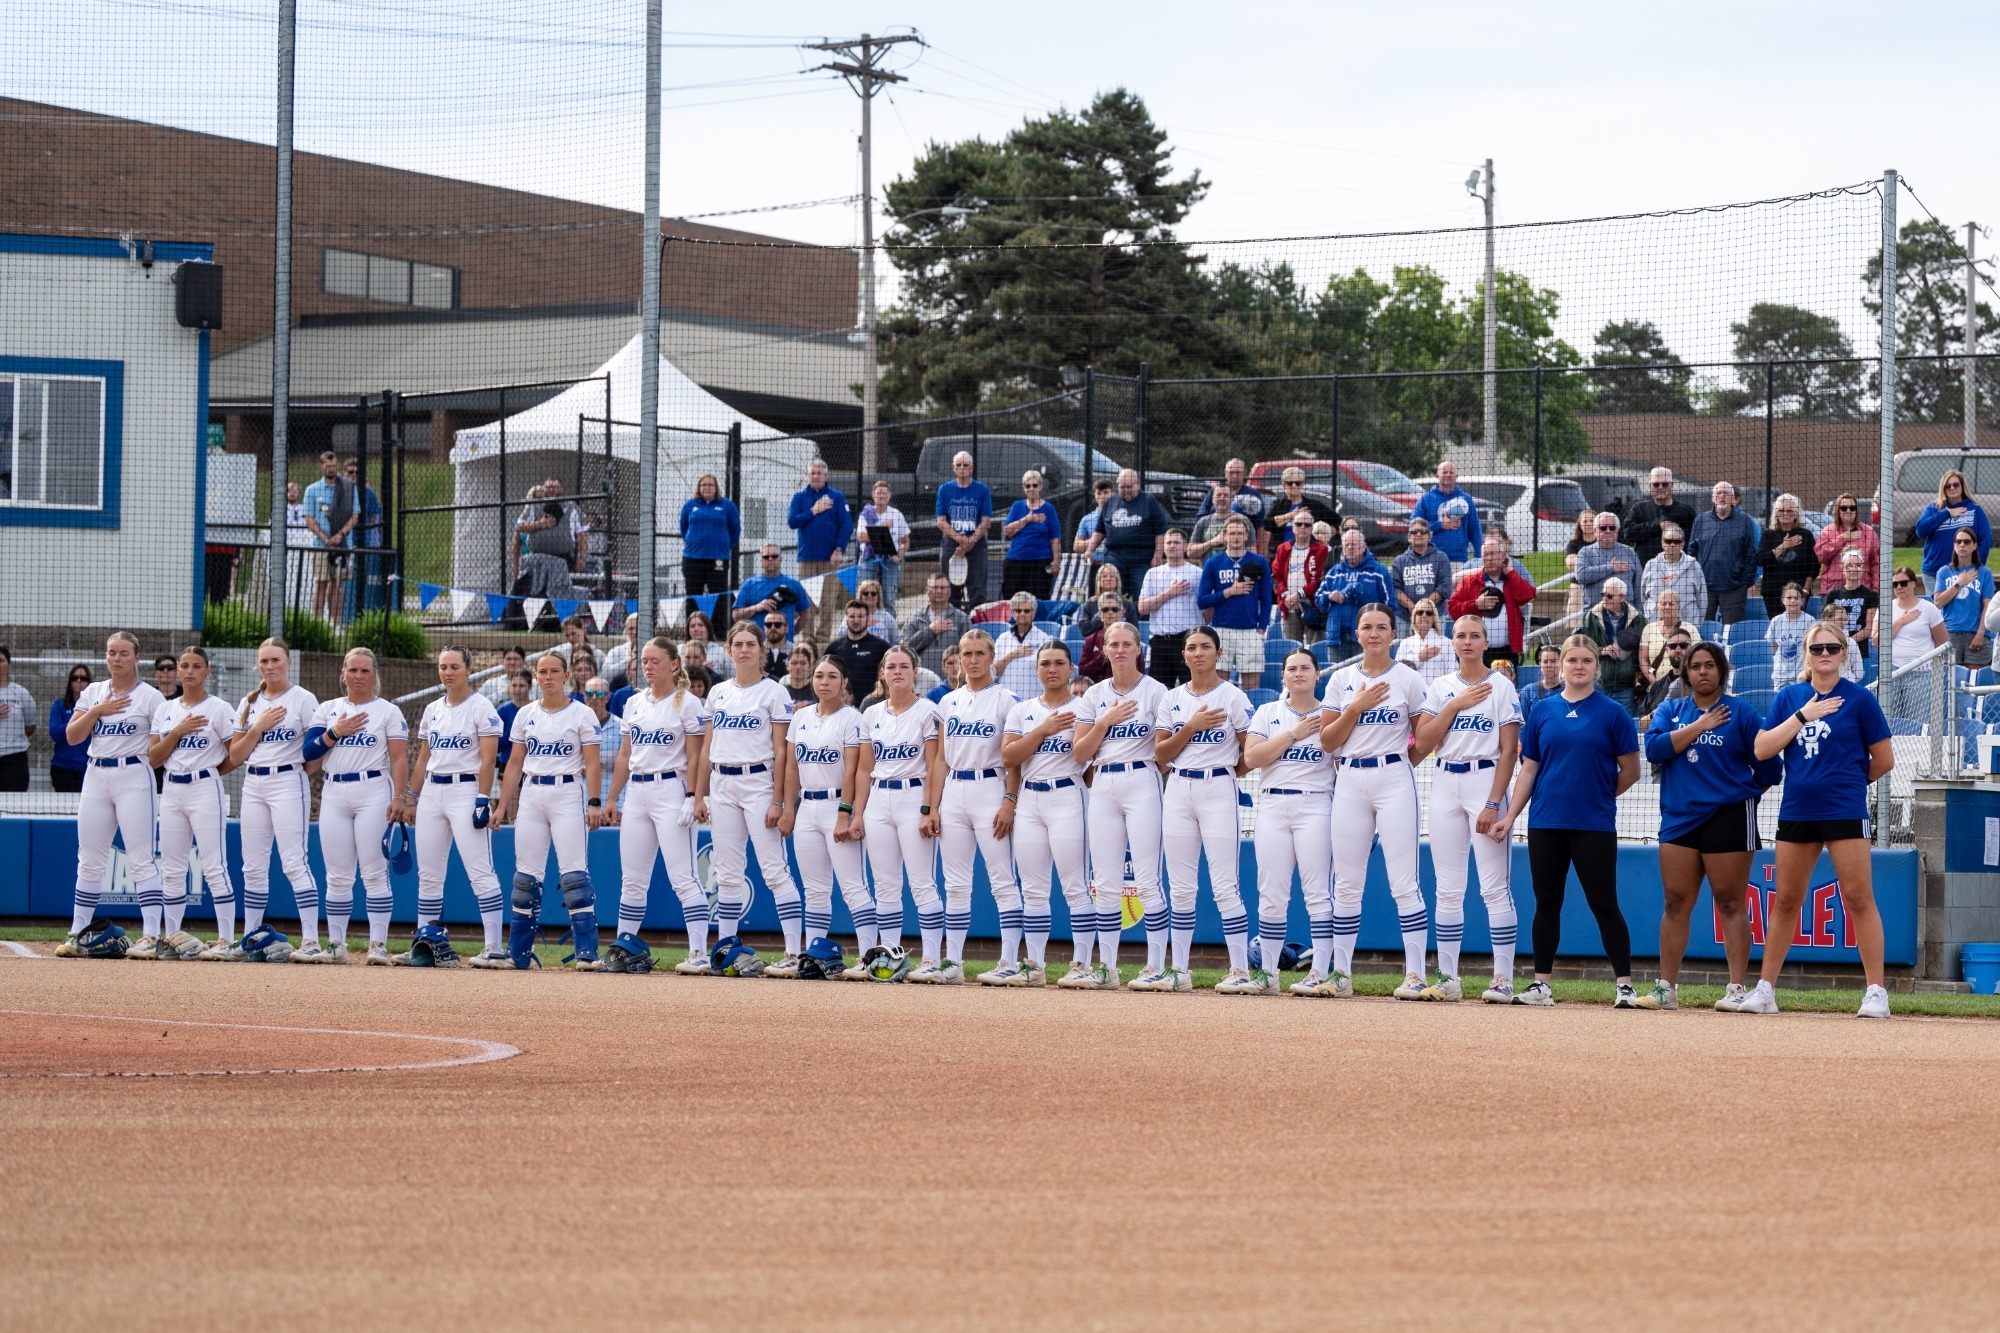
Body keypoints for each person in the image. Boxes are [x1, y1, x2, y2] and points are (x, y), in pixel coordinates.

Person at [1745, 619, 1895, 1017]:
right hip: (1797, 810)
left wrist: (1845, 781)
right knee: (1787, 900)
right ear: (1807, 655)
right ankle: (1764, 990)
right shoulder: (1789, 696)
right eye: (1817, 649)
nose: (1825, 655)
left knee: (1859, 897)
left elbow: (1884, 760)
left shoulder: (1860, 699)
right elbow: (1761, 749)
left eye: (1832, 648)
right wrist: (1802, 716)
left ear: (1844, 653)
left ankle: (1876, 992)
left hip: (1844, 810)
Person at [1489, 633, 1642, 1008]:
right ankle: (1541, 984)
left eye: (1586, 661)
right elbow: (1529, 770)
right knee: (1547, 903)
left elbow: (1631, 771)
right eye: (1572, 660)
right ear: (1561, 665)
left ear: (1596, 666)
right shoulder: (1542, 711)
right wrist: (1509, 816)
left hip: (1593, 824)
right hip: (1546, 822)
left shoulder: (1613, 713)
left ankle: (1624, 985)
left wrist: (1598, 795)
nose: (1578, 666)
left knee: (1604, 903)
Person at [1641, 640, 1782, 1012]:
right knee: (1675, 902)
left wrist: (1744, 795)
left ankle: (1736, 988)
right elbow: (1654, 750)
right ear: (1685, 672)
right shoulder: (1671, 710)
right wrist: (1701, 724)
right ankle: (1665, 989)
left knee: (1731, 902)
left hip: (1729, 818)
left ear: (1721, 671)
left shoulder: (1743, 713)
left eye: (1709, 665)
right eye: (1695, 666)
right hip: (1679, 819)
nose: (1702, 672)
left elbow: (1770, 767)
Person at [1316, 606, 1432, 1000]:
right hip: (1348, 779)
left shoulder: (1409, 679)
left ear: (1393, 634)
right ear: (1357, 632)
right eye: (1367, 627)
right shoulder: (1341, 680)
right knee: (1346, 884)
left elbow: (1425, 738)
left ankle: (1415, 975)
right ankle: (1341, 974)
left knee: (1404, 882)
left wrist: (1400, 763)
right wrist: (1355, 708)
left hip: (1393, 778)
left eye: (1382, 627)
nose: (1375, 633)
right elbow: (1328, 741)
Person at [1410, 616, 1524, 1003]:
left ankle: (1503, 978)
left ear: (1486, 641)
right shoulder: (1441, 687)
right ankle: (1447, 978)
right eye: (1460, 636)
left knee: (1494, 887)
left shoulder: (1501, 685)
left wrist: (1494, 802)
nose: (1468, 641)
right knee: (1447, 889)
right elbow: (1422, 741)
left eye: (1475, 635)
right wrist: (1455, 704)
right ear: (1452, 643)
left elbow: (1510, 750)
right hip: (1444, 781)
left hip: (1484, 780)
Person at [1154, 626, 1258, 992]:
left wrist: (1228, 771)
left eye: (1205, 647)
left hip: (1218, 787)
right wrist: (1192, 727)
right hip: (1179, 788)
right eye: (1191, 648)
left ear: (1218, 652)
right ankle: (1179, 970)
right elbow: (1161, 755)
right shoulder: (1171, 698)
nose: (1198, 653)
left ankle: (1240, 970)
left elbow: (1251, 753)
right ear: (1183, 655)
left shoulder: (1233, 697)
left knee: (1224, 884)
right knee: (1181, 887)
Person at [695, 622, 803, 970]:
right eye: (737, 643)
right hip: (721, 783)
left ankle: (792, 953)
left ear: (761, 650)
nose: (744, 650)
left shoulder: (774, 692)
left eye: (750, 644)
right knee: (726, 873)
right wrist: (699, 795)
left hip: (758, 782)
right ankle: (725, 948)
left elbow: (783, 753)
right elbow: (706, 748)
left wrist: (778, 800)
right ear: (728, 650)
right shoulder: (718, 692)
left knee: (774, 869)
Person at [54, 634, 169, 960]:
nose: (116, 658)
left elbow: (159, 744)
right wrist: (97, 711)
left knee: (141, 858)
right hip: (96, 775)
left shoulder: (151, 697)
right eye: (111, 653)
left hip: (134, 775)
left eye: (123, 653)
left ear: (136, 657)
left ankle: (150, 935)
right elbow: (72, 736)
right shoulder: (93, 692)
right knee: (89, 859)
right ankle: (76, 933)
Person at [604, 638, 712, 973]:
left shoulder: (688, 703)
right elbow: (625, 754)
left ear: (674, 664)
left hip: (671, 788)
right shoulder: (634, 703)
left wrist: (694, 796)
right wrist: (610, 798)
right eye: (644, 661)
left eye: (655, 661)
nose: (648, 666)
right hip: (637, 792)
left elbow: (696, 755)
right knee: (633, 878)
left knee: (684, 876)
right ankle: (623, 947)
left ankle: (698, 953)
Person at [1073, 624, 1172, 989]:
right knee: (1106, 881)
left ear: (1138, 649)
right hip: (1102, 782)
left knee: (1148, 879)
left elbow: (1164, 752)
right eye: (1112, 644)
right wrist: (1104, 722)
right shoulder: (1094, 694)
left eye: (1126, 643)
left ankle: (1156, 965)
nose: (1119, 649)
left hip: (1143, 779)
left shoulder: (1157, 691)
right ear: (1104, 650)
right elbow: (1080, 752)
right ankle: (1107, 967)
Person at [494, 650, 605, 970]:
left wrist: (594, 802)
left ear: (566, 676)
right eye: (542, 672)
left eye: (554, 671)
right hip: (531, 793)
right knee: (525, 880)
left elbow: (594, 763)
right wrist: (502, 805)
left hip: (568, 791)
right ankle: (519, 955)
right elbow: (514, 763)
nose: (548, 677)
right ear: (536, 676)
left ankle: (587, 952)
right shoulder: (526, 713)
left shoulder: (582, 713)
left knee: (574, 876)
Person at [217, 638, 326, 960]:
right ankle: (250, 936)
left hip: (288, 780)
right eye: (264, 661)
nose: (269, 666)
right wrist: (258, 727)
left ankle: (311, 940)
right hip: (253, 783)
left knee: (294, 861)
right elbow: (235, 755)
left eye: (275, 660)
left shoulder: (304, 699)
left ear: (288, 662)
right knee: (253, 866)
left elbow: (316, 751)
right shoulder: (249, 703)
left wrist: (296, 774)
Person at [401, 646, 507, 966]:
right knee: (429, 874)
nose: (448, 672)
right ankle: (425, 940)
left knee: (480, 871)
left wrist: (482, 798)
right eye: (443, 667)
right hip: (433, 791)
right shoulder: (433, 708)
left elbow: (489, 759)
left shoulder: (481, 706)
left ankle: (493, 947)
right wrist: (411, 797)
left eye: (454, 667)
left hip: (466, 789)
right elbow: (423, 757)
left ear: (469, 670)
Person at [303, 647, 408, 964]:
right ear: (343, 673)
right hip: (334, 791)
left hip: (373, 789)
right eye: (352, 670)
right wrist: (336, 732)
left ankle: (377, 944)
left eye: (365, 670)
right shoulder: (328, 708)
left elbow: (399, 757)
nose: (358, 676)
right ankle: (336, 945)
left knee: (375, 872)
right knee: (337, 875)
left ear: (374, 674)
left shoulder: (388, 711)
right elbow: (309, 752)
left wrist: (400, 797)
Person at [1244, 649, 1336, 995]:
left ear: (1317, 674)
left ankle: (1319, 972)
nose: (1298, 673)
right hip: (1273, 805)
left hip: (1316, 805)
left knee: (1317, 893)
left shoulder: (1331, 714)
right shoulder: (1269, 713)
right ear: (1282, 676)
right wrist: (1294, 734)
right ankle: (1267, 974)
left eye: (1305, 668)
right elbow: (1252, 757)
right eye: (1291, 668)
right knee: (1271, 893)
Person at [1002, 640, 1094, 988]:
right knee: (1034, 889)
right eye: (1045, 663)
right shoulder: (1022, 710)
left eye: (1058, 663)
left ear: (1071, 668)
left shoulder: (1084, 708)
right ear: (1036, 669)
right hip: (1029, 799)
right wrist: (1042, 730)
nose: (1052, 669)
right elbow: (1010, 758)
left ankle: (1082, 963)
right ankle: (1034, 965)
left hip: (1068, 795)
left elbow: (1088, 760)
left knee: (1075, 886)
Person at [852, 645, 946, 978]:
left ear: (915, 672)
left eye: (904, 666)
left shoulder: (928, 711)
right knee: (886, 885)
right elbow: (864, 769)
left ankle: (932, 959)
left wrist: (929, 808)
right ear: (882, 673)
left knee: (922, 883)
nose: (897, 672)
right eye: (891, 667)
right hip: (878, 801)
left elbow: (936, 763)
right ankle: (889, 957)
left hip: (913, 798)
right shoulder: (871, 714)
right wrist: (858, 813)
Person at [937, 630, 1024, 984]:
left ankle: (1009, 961)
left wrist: (1009, 800)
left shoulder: (1007, 699)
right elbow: (941, 759)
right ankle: (952, 962)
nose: (972, 660)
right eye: (966, 654)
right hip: (954, 791)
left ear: (991, 657)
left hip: (991, 787)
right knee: (955, 883)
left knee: (1002, 880)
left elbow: (1015, 758)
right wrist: (934, 804)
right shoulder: (948, 701)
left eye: (979, 654)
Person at [782, 654, 875, 979]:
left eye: (832, 676)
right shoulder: (801, 717)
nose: (824, 682)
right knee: (815, 889)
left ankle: (867, 957)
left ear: (844, 682)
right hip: (806, 807)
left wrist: (845, 814)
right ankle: (816, 955)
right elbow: (792, 767)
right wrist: (787, 807)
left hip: (837, 804)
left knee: (852, 886)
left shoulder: (853, 718)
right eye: (819, 676)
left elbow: (853, 770)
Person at [147, 645, 239, 960]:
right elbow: (154, 759)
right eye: (183, 665)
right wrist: (177, 732)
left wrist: (212, 772)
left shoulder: (219, 708)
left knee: (213, 865)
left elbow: (235, 754)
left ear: (207, 671)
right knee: (172, 868)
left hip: (204, 788)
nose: (188, 671)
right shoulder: (166, 709)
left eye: (195, 666)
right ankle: (171, 938)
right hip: (172, 789)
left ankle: (225, 939)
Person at [1197, 514, 1273, 691]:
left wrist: (1261, 628)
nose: (1236, 537)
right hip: (1221, 630)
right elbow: (1202, 601)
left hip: (1250, 630)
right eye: (1232, 533)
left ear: (1246, 536)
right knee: (1218, 686)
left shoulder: (1259, 561)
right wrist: (1230, 592)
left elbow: (1267, 599)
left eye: (1240, 533)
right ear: (1225, 536)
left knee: (1252, 688)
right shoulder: (1213, 563)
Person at [1446, 537, 1537, 667]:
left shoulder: (1512, 580)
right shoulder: (1469, 582)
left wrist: (1510, 572)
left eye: (1493, 554)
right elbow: (1452, 609)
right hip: (1477, 651)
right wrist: (1476, 604)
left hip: (1507, 650)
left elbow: (1528, 595)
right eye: (1486, 555)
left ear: (1503, 556)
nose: (1489, 558)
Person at [1096, 468, 1171, 610]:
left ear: (1137, 484)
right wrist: (1089, 550)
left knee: (1141, 597)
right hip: (1115, 557)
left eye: (1129, 486)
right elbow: (1099, 531)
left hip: (1141, 559)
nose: (1126, 490)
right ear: (1117, 485)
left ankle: (1139, 626)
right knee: (1114, 597)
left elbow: (1160, 531)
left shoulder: (1149, 501)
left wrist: (1157, 555)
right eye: (1122, 487)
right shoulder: (1110, 502)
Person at [1315, 528, 1393, 662]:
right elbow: (1318, 599)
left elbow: (1389, 605)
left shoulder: (1379, 571)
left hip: (1367, 638)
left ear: (1363, 547)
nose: (1350, 548)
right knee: (1338, 679)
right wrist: (1329, 596)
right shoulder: (1335, 572)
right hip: (1337, 638)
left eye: (1354, 544)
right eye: (1346, 545)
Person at [1139, 528, 1203, 687]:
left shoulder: (1197, 573)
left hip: (1187, 641)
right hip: (1160, 643)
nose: (1172, 546)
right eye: (1168, 542)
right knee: (1160, 693)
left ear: (1185, 546)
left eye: (1176, 542)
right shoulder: (1152, 574)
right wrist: (1169, 593)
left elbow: (1207, 608)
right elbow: (1142, 608)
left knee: (1192, 691)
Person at [1688, 482, 1758, 625]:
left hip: (1734, 589)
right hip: (1705, 588)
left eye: (1726, 493)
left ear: (1733, 499)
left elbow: (1750, 554)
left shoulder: (1744, 521)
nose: (1722, 496)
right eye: (1719, 493)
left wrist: (1745, 582)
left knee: (1730, 631)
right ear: (1713, 498)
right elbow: (1692, 551)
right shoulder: (1701, 520)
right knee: (1703, 630)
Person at [1884, 564, 1947, 718]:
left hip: (1921, 672)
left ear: (1913, 584)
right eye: (1895, 584)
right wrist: (1900, 622)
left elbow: (1943, 642)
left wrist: (1931, 666)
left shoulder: (1928, 608)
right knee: (1890, 722)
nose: (1899, 587)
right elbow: (1877, 641)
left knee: (1919, 722)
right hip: (1891, 670)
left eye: (1903, 583)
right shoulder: (1885, 608)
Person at [302, 450, 357, 621]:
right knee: (321, 583)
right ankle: (316, 623)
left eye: (334, 465)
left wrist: (340, 535)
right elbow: (309, 520)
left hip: (343, 544)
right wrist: (326, 539)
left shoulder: (348, 488)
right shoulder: (312, 490)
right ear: (321, 466)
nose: (331, 468)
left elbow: (355, 516)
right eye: (328, 465)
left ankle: (336, 624)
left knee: (337, 585)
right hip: (321, 545)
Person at [935, 451, 993, 610]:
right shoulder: (945, 490)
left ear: (972, 468)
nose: (962, 468)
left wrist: (971, 541)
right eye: (958, 465)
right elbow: (941, 521)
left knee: (978, 592)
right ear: (953, 468)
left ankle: (977, 628)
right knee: (951, 591)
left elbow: (986, 521)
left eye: (965, 465)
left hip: (977, 546)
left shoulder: (982, 490)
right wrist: (960, 540)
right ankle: (953, 629)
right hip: (951, 545)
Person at [514, 476, 587, 598]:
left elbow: (582, 535)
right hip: (536, 561)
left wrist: (582, 558)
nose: (551, 490)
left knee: (561, 595)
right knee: (533, 595)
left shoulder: (572, 507)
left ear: (561, 488)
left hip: (563, 560)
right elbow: (519, 526)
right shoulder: (534, 506)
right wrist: (540, 524)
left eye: (554, 487)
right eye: (548, 487)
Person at [1580, 577, 1646, 713]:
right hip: (1599, 685)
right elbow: (1576, 644)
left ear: (1622, 597)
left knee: (1625, 729)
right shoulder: (1590, 617)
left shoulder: (1638, 619)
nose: (1605, 598)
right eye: (1603, 594)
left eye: (1609, 596)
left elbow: (1647, 649)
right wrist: (1601, 650)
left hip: (1627, 688)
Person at [1931, 530, 1994, 667]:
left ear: (1974, 546)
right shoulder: (1944, 572)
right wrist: (1959, 583)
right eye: (1958, 542)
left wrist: (1980, 634)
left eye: (1967, 542)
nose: (1962, 545)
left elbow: (1987, 606)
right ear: (1954, 545)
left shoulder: (1984, 573)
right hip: (1950, 634)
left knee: (1974, 681)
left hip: (1975, 633)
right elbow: (1938, 602)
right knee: (1950, 681)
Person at [1915, 467, 1992, 578]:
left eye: (1956, 485)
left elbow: (1986, 539)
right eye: (1947, 486)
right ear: (1943, 488)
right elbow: (1920, 530)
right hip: (1934, 572)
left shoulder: (1975, 509)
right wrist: (1946, 513)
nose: (1952, 488)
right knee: (1937, 597)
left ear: (1962, 487)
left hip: (1964, 573)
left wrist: (1977, 566)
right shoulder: (1933, 508)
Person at [679, 473, 740, 607]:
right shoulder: (690, 505)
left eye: (710, 484)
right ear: (699, 487)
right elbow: (684, 528)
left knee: (718, 599)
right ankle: (692, 627)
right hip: (692, 559)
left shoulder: (727, 506)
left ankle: (718, 629)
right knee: (693, 599)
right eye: (704, 484)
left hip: (718, 560)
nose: (707, 487)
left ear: (716, 487)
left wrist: (724, 546)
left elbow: (735, 530)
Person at [1002, 470, 1063, 600]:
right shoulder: (1017, 506)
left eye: (1034, 485)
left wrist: (1056, 561)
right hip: (1016, 560)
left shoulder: (1049, 509)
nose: (1031, 489)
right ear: (1023, 488)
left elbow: (1055, 538)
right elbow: (1007, 531)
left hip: (1039, 562)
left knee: (1038, 601)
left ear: (1040, 487)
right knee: (1012, 600)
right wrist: (1027, 519)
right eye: (1027, 486)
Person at [787, 458, 852, 580]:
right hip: (806, 558)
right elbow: (792, 522)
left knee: (828, 598)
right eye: (813, 473)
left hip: (830, 559)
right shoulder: (799, 497)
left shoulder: (837, 497)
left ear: (826, 475)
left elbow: (846, 526)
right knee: (806, 597)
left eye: (819, 473)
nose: (816, 476)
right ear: (808, 475)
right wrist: (813, 511)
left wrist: (839, 549)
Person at [1272, 510, 1331, 644]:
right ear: (1293, 527)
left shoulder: (1322, 549)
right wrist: (1286, 595)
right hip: (1289, 606)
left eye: (1307, 525)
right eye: (1299, 524)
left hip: (1313, 606)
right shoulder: (1283, 549)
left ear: (1312, 528)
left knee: (1315, 648)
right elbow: (1276, 576)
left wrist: (1299, 594)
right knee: (1292, 649)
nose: (1302, 527)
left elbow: (1322, 579)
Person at [1621, 467, 1697, 567]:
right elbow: (1628, 533)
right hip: (1646, 570)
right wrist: (1658, 526)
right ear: (1650, 486)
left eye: (1665, 484)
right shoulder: (1639, 509)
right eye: (1656, 484)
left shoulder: (1686, 511)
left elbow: (1695, 541)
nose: (1660, 487)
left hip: (1679, 570)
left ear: (1672, 485)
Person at [1410, 461, 1482, 565]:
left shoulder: (1466, 500)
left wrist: (1479, 558)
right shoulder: (1426, 499)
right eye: (1444, 472)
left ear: (1456, 476)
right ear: (1437, 475)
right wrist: (1441, 525)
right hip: (1430, 559)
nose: (1448, 475)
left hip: (1458, 560)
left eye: (1451, 472)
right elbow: (1413, 526)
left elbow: (1475, 531)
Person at [732, 545, 813, 637]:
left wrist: (790, 633)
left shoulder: (793, 584)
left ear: (781, 559)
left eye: (774, 556)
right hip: (758, 645)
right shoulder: (750, 584)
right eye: (766, 557)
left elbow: (806, 614)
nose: (770, 559)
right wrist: (757, 607)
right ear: (761, 560)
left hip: (785, 646)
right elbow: (736, 616)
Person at [856, 478, 911, 611]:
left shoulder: (897, 515)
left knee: (888, 598)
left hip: (891, 561)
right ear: (873, 495)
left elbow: (906, 541)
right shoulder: (866, 514)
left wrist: (899, 556)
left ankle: (890, 629)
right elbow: (861, 537)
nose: (882, 496)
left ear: (889, 495)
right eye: (879, 493)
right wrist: (881, 526)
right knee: (864, 596)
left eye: (885, 493)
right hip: (869, 559)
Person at [903, 574, 972, 676]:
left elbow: (969, 650)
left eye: (943, 588)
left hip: (954, 681)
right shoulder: (915, 619)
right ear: (927, 590)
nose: (939, 591)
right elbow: (905, 648)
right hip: (922, 680)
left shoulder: (962, 619)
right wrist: (930, 631)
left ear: (949, 592)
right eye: (935, 587)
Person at [1392, 518, 1455, 629]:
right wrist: (1412, 606)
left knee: (1435, 646)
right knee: (1404, 646)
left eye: (1423, 531)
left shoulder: (1441, 558)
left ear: (1429, 536)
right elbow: (1394, 588)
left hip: (1434, 617)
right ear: (1409, 536)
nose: (1418, 534)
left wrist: (1424, 607)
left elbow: (1445, 587)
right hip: (1405, 618)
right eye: (1414, 532)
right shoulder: (1399, 561)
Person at [1639, 523, 1708, 623]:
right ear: (1662, 543)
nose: (1672, 545)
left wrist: (1696, 625)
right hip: (1655, 626)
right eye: (1668, 541)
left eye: (1676, 541)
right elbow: (1643, 596)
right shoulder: (1651, 565)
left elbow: (1702, 599)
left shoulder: (1694, 566)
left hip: (1686, 626)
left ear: (1683, 544)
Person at [1758, 494, 1817, 610]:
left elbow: (1814, 566)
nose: (1785, 514)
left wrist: (1805, 590)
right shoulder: (1768, 535)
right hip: (1773, 595)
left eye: (1789, 511)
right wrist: (1784, 546)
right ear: (1776, 513)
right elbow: (1760, 559)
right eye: (1781, 510)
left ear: (1796, 514)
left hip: (1798, 596)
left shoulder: (1806, 535)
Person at [826, 600, 893, 701]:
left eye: (860, 617)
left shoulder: (881, 647)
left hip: (873, 705)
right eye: (852, 616)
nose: (856, 620)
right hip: (841, 707)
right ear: (846, 618)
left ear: (868, 619)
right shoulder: (833, 649)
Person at [1573, 511, 1641, 608]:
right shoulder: (1585, 552)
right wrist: (1610, 568)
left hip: (1627, 615)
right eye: (1603, 528)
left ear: (1617, 530)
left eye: (1612, 528)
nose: (1608, 531)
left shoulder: (1629, 552)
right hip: (1595, 616)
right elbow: (1581, 576)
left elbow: (1638, 588)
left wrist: (1640, 615)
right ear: (1595, 531)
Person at [992, 591, 1052, 699]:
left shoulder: (1044, 639)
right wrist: (1013, 655)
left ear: (1033, 613)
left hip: (1034, 698)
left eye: (1027, 611)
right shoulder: (1002, 639)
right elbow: (995, 671)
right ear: (1013, 613)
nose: (1022, 614)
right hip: (1007, 699)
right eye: (1018, 610)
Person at [1823, 548, 1880, 663]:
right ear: (1842, 569)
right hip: (1834, 652)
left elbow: (1868, 628)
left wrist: (1847, 644)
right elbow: (1826, 623)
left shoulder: (1871, 595)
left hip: (1860, 652)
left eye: (1858, 565)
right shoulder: (1833, 595)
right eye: (1849, 566)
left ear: (1863, 569)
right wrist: (1838, 644)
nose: (1853, 569)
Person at [1816, 491, 1880, 590]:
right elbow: (1821, 556)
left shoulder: (1868, 532)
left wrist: (1875, 589)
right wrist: (1843, 538)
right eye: (1844, 508)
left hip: (1862, 589)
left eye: (1852, 508)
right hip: (1833, 589)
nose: (1848, 510)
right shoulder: (1828, 531)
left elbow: (1876, 563)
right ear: (1838, 510)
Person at [1635, 627, 1694, 727]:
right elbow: (1643, 725)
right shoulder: (1657, 687)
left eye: (1683, 646)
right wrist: (1662, 710)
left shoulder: (1699, 683)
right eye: (1673, 646)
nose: (1678, 649)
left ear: (1691, 648)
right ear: (1667, 649)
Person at [1636, 589, 1690, 698]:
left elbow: (1695, 657)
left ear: (1678, 607)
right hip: (1655, 689)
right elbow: (1643, 659)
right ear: (1658, 607)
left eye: (1671, 604)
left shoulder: (1690, 628)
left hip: (1683, 689)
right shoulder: (1649, 628)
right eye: (1663, 603)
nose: (1667, 607)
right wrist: (1655, 683)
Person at [48, 664, 93, 793]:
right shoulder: (60, 705)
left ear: (89, 682)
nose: (79, 681)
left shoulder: (95, 708)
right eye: (75, 678)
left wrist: (89, 713)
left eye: (83, 678)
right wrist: (79, 717)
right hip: (63, 767)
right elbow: (55, 733)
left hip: (87, 767)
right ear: (70, 682)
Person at [0, 645, 35, 791]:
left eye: (1, 660)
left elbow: (30, 727)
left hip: (15, 760)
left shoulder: (21, 693)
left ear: (8, 664)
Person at [1395, 601, 1451, 686]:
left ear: (1434, 618)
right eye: (1420, 612)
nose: (1424, 615)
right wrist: (1419, 658)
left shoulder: (1446, 643)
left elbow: (1451, 675)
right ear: (1414, 617)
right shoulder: (1405, 643)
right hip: (1411, 695)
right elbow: (1398, 672)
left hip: (1438, 696)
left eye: (1429, 613)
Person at [1075, 561, 1139, 636]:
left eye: (1112, 576)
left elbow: (1134, 631)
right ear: (1099, 581)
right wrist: (1103, 616)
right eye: (1104, 576)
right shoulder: (1090, 604)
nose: (1108, 579)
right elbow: (1084, 630)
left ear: (1117, 580)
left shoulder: (1127, 604)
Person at [582, 678, 619, 804]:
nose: (594, 698)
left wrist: (619, 806)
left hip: (612, 798)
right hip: (581, 800)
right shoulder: (574, 726)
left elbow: (626, 768)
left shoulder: (621, 726)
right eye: (589, 694)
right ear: (584, 697)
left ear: (607, 697)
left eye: (599, 694)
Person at [1767, 582, 1813, 680]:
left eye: (1796, 598)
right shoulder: (1776, 621)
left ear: (1802, 601)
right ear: (1783, 600)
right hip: (1780, 676)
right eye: (1789, 598)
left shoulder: (1810, 621)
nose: (1793, 601)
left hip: (1802, 675)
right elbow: (1774, 645)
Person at [1078, 594, 1126, 682]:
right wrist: (1103, 656)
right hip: (1095, 691)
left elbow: (1139, 671)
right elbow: (1082, 671)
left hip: (1124, 690)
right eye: (1105, 609)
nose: (1110, 612)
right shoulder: (1090, 640)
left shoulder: (1131, 640)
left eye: (1114, 609)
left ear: (1121, 613)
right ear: (1100, 614)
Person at [1563, 508, 1597, 617]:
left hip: (1598, 587)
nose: (1588, 524)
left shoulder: (1603, 543)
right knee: (1575, 623)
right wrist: (1595, 559)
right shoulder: (1573, 544)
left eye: (1592, 521)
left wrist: (1581, 560)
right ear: (1579, 524)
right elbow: (1571, 564)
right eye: (1585, 521)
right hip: (1577, 588)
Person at [1073, 477, 1116, 562]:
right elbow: (1076, 547)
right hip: (1095, 565)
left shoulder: (1120, 516)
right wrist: (1097, 540)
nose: (1102, 496)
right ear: (1095, 496)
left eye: (1106, 492)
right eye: (1099, 493)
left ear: (1113, 493)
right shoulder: (1087, 519)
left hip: (1116, 565)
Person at [1517, 643, 1562, 716]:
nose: (1549, 665)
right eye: (1545, 662)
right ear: (1540, 664)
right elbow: (1522, 723)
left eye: (1553, 661)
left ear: (1561, 663)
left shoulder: (1569, 689)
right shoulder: (1528, 691)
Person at [602, 615, 641, 689]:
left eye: (638, 628)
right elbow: (605, 675)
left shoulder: (655, 649)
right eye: (631, 628)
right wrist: (631, 659)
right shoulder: (616, 651)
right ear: (626, 630)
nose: (635, 632)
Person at [760, 614, 794, 680]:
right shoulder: (757, 650)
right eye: (768, 625)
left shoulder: (795, 651)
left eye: (778, 624)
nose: (773, 628)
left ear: (786, 628)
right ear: (764, 628)